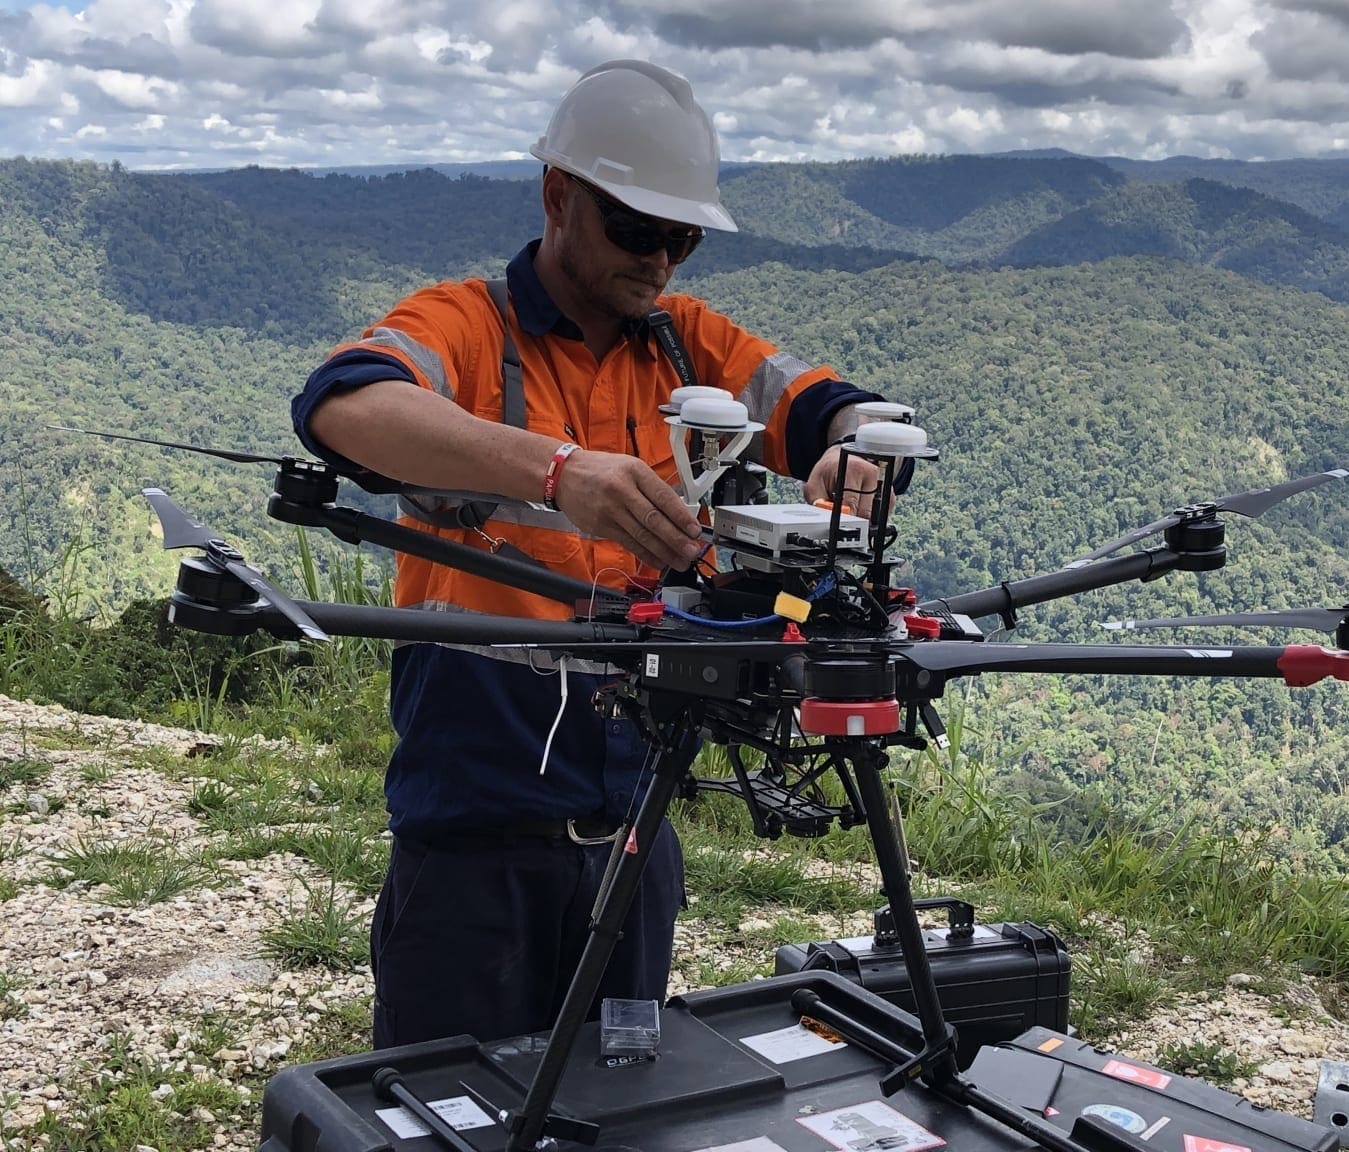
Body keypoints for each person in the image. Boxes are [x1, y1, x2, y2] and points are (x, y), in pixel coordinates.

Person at [291, 59, 901, 1049]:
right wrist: (555, 470)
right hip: (471, 848)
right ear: (558, 197)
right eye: (634, 229)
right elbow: (343, 404)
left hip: (636, 838)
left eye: (681, 239)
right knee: (452, 1101)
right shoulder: (467, 325)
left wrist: (852, 451)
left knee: (619, 1103)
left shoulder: (685, 346)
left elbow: (832, 405)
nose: (659, 262)